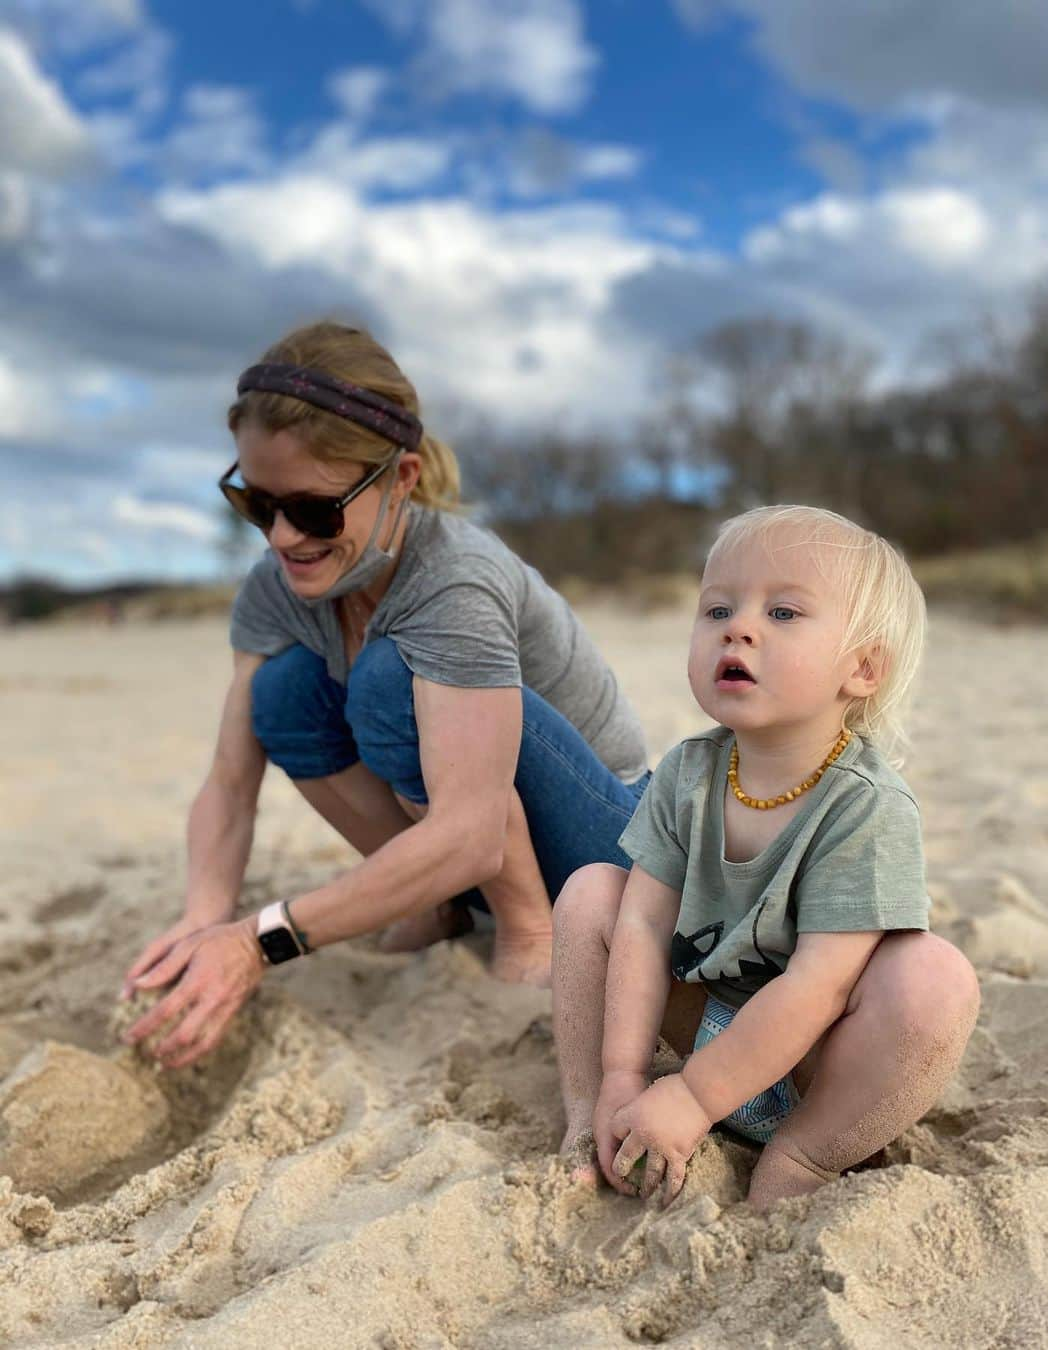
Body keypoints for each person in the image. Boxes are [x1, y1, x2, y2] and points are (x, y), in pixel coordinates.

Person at [121, 320, 651, 1069]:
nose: (279, 537)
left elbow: (469, 830)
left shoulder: (453, 578)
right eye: (254, 504)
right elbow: (230, 783)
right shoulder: (277, 591)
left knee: (385, 681)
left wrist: (259, 939)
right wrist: (204, 918)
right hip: (467, 844)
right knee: (280, 694)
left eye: (312, 510)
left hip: (608, 849)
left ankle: (529, 929)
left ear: (400, 479)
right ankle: (437, 903)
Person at [552, 505, 980, 1211]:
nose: (738, 626)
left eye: (783, 613)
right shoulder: (688, 774)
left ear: (863, 668)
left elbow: (819, 985)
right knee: (594, 892)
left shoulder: (866, 806)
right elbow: (641, 928)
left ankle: (804, 1159)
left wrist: (691, 1098)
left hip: (819, 1067)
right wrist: (628, 1074)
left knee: (935, 979)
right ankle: (586, 1115)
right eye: (718, 607)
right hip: (704, 1025)